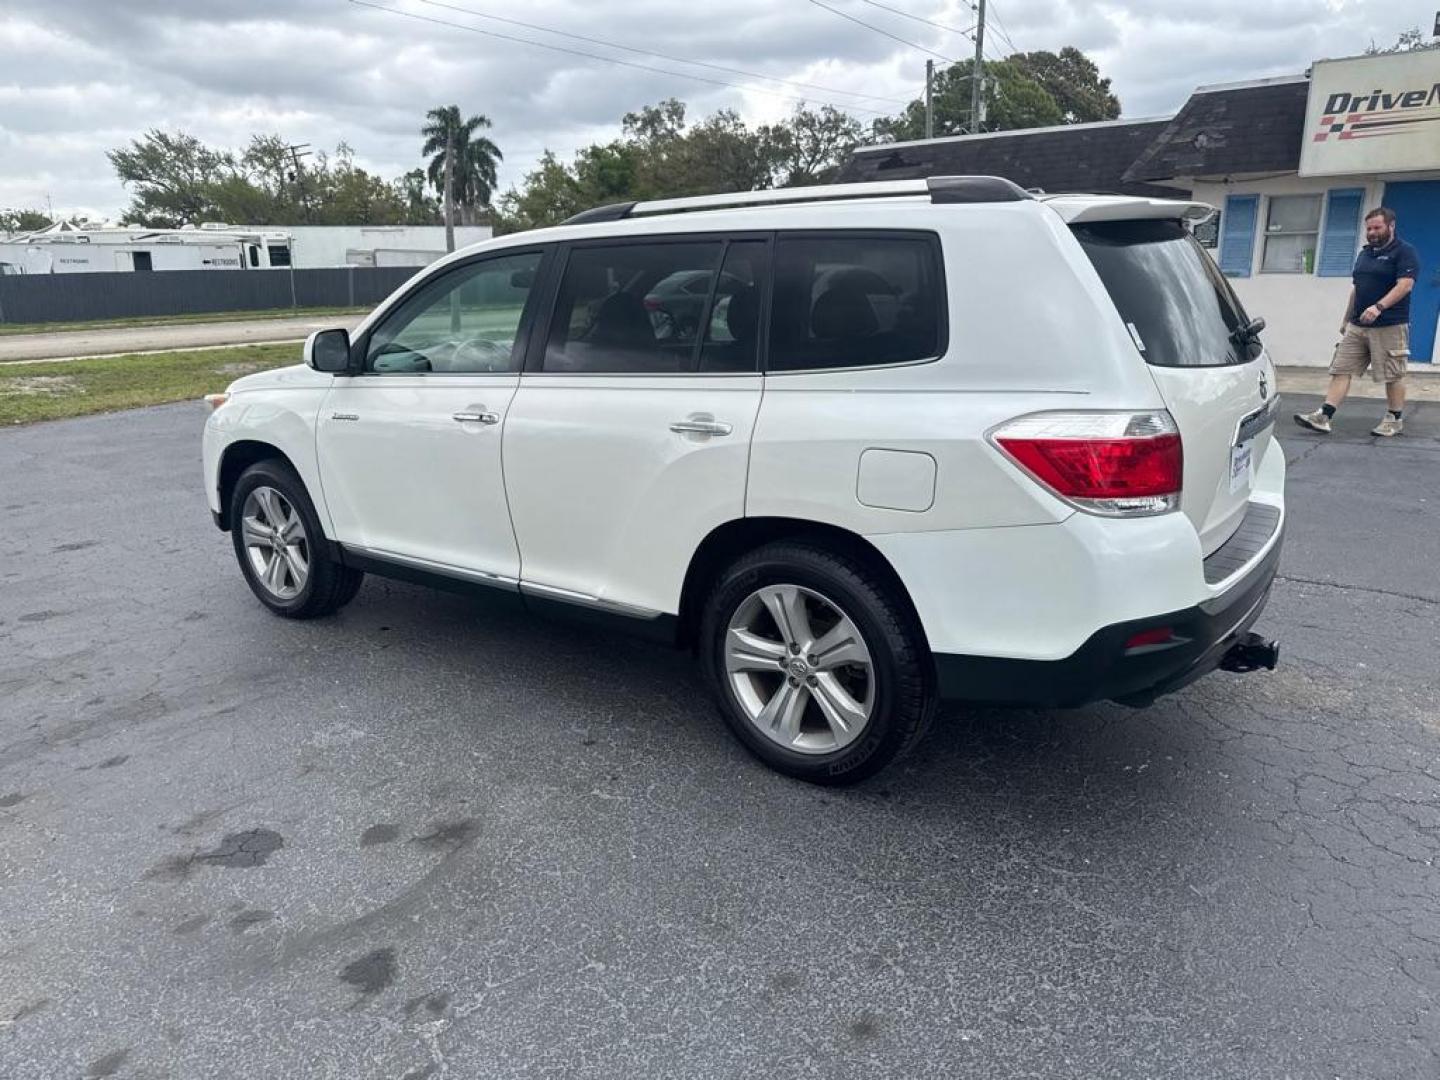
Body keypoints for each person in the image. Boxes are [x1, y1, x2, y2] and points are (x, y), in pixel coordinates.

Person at [1295, 207, 1418, 437]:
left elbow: (1405, 285)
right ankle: (1324, 416)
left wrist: (1379, 307)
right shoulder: (1365, 254)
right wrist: (1346, 319)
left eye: (1377, 228)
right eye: (1369, 228)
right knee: (1340, 368)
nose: (1371, 232)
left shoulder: (1404, 252)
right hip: (1357, 325)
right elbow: (1357, 289)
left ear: (1391, 226)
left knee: (1392, 374)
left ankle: (1394, 419)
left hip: (1389, 325)